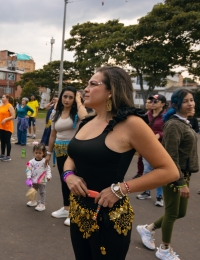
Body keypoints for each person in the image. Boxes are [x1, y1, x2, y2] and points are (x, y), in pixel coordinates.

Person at [62, 67, 179, 259]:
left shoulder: (131, 124)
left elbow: (169, 171)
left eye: (93, 84)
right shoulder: (86, 122)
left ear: (111, 91)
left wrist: (121, 189)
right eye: (86, 84)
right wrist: (69, 176)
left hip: (110, 221)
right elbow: (72, 157)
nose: (85, 89)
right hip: (78, 215)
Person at [137, 89, 198, 260]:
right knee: (172, 212)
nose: (191, 104)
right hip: (173, 175)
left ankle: (147, 229)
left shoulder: (185, 122)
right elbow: (171, 156)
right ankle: (164, 249)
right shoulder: (173, 125)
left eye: (192, 100)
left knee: (181, 212)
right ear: (176, 104)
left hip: (183, 174)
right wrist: (180, 182)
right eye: (186, 101)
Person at [45, 86, 87, 226]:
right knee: (64, 180)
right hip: (59, 150)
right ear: (61, 97)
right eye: (65, 96)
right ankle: (66, 208)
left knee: (74, 180)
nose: (67, 100)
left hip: (74, 151)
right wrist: (49, 153)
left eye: (70, 97)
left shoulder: (77, 113)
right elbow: (52, 135)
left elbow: (85, 117)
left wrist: (78, 100)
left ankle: (75, 212)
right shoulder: (55, 113)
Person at [136, 94, 167, 207]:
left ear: (162, 104)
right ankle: (146, 192)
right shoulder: (146, 115)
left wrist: (159, 134)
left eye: (156, 101)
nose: (152, 103)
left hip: (160, 148)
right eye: (151, 101)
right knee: (146, 170)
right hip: (147, 147)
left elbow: (170, 130)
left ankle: (159, 196)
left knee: (159, 172)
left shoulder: (166, 116)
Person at [26, 143, 52, 211]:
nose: (37, 154)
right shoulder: (31, 162)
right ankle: (33, 201)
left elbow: (48, 169)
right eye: (36, 153)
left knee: (42, 192)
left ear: (43, 153)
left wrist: (49, 176)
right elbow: (28, 169)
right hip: (33, 180)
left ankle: (42, 204)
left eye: (40, 153)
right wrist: (29, 177)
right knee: (33, 191)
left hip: (42, 180)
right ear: (34, 152)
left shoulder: (44, 162)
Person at [132, 96, 152, 179]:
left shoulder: (163, 116)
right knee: (141, 161)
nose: (148, 104)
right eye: (147, 102)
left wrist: (159, 134)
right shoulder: (145, 114)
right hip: (143, 142)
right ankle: (140, 173)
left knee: (149, 165)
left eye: (150, 102)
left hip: (155, 143)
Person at [0, 94, 15, 162]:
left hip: (7, 127)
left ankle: (8, 156)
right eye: (2, 97)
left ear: (7, 99)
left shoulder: (9, 106)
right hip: (1, 127)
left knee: (7, 141)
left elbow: (13, 116)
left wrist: (5, 119)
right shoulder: (1, 106)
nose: (2, 98)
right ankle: (2, 154)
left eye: (3, 97)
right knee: (2, 141)